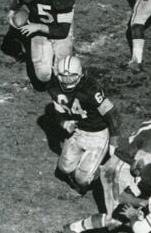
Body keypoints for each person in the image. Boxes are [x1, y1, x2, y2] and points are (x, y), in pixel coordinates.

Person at [48, 55, 121, 193]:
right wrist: (64, 123)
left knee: (82, 179)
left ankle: (103, 167)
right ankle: (86, 164)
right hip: (77, 131)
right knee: (64, 168)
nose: (67, 81)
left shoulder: (91, 88)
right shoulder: (54, 87)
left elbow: (112, 113)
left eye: (71, 77)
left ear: (81, 74)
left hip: (97, 134)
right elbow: (58, 112)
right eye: (63, 77)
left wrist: (114, 140)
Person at [6, 0, 75, 89]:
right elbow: (18, 0)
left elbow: (62, 32)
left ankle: (68, 52)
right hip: (40, 34)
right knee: (43, 75)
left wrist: (37, 26)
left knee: (63, 70)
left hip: (59, 29)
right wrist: (13, 14)